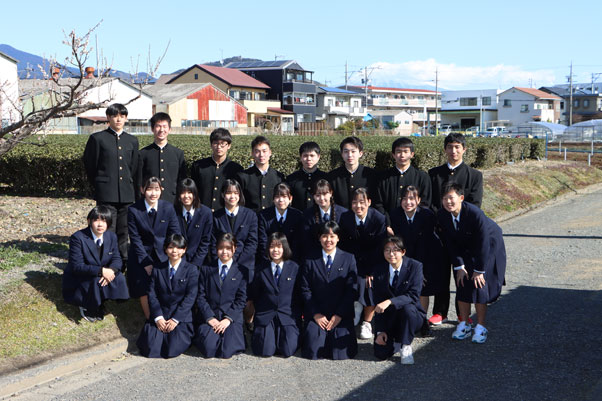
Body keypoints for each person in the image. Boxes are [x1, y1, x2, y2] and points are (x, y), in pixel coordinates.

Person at [437, 183, 506, 344]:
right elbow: (450, 242)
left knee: (479, 284)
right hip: (464, 246)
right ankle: (464, 323)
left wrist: (479, 270)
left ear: (461, 198)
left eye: (451, 198)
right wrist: (459, 265)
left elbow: (483, 243)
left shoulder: (474, 213)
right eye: (445, 198)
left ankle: (481, 327)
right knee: (461, 281)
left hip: (488, 245)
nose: (448, 202)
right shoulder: (442, 215)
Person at [428, 133, 484, 326]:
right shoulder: (434, 174)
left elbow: (474, 204)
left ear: (464, 149)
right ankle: (440, 312)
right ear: (445, 149)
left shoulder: (474, 175)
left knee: (463, 273)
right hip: (441, 232)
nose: (454, 151)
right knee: (441, 272)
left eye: (457, 147)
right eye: (450, 147)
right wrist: (442, 222)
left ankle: (463, 313)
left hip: (464, 234)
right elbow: (431, 202)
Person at [83, 103, 139, 262]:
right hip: (106, 192)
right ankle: (106, 260)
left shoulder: (132, 140)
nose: (118, 119)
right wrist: (100, 183)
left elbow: (133, 167)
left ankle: (122, 261)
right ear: (108, 118)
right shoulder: (98, 138)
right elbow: (90, 164)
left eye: (122, 116)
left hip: (126, 194)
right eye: (115, 116)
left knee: (124, 230)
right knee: (107, 228)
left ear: (126, 118)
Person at [390, 186, 447, 331]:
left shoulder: (427, 215)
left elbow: (425, 243)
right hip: (406, 254)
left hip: (427, 256)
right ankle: (406, 321)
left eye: (412, 198)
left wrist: (417, 270)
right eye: (404, 198)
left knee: (422, 288)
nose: (408, 202)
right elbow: (400, 240)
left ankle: (422, 321)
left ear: (418, 200)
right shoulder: (395, 214)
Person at [300, 221, 358, 360]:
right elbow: (305, 289)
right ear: (319, 238)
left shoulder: (349, 258)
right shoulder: (310, 259)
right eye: (325, 236)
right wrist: (315, 314)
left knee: (340, 353)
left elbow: (352, 289)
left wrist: (339, 314)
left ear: (338, 238)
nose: (328, 240)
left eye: (332, 236)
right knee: (313, 350)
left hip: (340, 313)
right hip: (318, 313)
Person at [136, 234, 199, 358]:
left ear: (184, 249)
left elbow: (190, 297)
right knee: (151, 348)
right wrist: (158, 317)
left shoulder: (191, 270)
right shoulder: (158, 268)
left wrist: (176, 319)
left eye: (179, 247)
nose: (174, 251)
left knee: (172, 349)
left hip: (180, 317)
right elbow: (152, 294)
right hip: (161, 314)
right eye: (171, 247)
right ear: (165, 249)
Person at [62, 205, 129, 322]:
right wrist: (102, 271)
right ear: (89, 221)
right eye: (96, 220)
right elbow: (77, 266)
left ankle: (102, 300)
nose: (100, 224)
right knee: (94, 281)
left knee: (118, 278)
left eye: (104, 221)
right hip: (81, 277)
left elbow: (117, 258)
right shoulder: (78, 238)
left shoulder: (111, 236)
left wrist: (112, 270)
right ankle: (86, 305)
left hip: (102, 272)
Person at [127, 177, 180, 319]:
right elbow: (135, 238)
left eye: (156, 189)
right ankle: (149, 317)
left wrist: (171, 253)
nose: (153, 193)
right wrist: (145, 262)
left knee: (165, 284)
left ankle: (166, 314)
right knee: (143, 284)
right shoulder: (133, 210)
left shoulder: (168, 207)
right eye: (149, 189)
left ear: (161, 190)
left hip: (164, 253)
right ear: (142, 190)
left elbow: (174, 233)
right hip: (141, 255)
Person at [339, 188, 387, 340]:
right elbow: (345, 247)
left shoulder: (378, 219)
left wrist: (370, 271)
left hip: (374, 263)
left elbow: (380, 248)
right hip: (353, 261)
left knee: (370, 283)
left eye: (362, 202)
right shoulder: (345, 218)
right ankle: (355, 308)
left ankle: (367, 322)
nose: (358, 206)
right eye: (354, 202)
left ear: (369, 202)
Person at [372, 236, 426, 364]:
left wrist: (390, 301)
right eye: (387, 250)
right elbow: (378, 302)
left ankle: (406, 344)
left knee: (408, 309)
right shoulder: (379, 270)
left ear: (403, 252)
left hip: (411, 315)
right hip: (390, 317)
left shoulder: (415, 266)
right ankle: (396, 339)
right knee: (381, 354)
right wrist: (380, 331)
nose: (391, 254)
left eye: (395, 250)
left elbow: (413, 295)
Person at [193, 233, 247, 358]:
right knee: (209, 349)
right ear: (216, 249)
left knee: (226, 351)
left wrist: (228, 319)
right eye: (221, 248)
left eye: (228, 248)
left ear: (234, 249)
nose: (224, 252)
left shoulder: (241, 270)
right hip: (211, 317)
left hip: (230, 319)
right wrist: (210, 318)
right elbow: (200, 296)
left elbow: (241, 299)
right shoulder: (206, 269)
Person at [248, 232, 301, 357]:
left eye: (279, 246)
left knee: (287, 351)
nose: (275, 250)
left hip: (287, 316)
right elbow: (255, 294)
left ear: (285, 248)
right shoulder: (260, 269)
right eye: (272, 246)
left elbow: (299, 296)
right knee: (265, 351)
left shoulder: (295, 268)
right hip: (266, 316)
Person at [374, 137, 431, 232]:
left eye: (406, 151)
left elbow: (425, 203)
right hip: (388, 227)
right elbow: (378, 204)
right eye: (398, 152)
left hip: (415, 227)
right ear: (393, 154)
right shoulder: (383, 177)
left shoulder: (422, 177)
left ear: (412, 154)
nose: (402, 155)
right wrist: (387, 224)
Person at [190, 128, 244, 212]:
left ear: (229, 145)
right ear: (211, 144)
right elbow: (193, 191)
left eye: (222, 144)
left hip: (225, 215)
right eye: (215, 143)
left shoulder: (236, 169)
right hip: (201, 213)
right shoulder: (198, 166)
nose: (219, 147)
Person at [138, 112, 187, 203]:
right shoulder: (143, 153)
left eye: (164, 126)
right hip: (150, 200)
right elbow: (139, 178)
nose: (161, 129)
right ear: (152, 129)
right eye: (158, 126)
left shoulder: (178, 153)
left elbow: (182, 179)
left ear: (169, 129)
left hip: (172, 200)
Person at [257, 183, 304, 264]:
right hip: (268, 260)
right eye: (277, 197)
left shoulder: (298, 216)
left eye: (284, 196)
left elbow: (297, 243)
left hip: (292, 261)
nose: (281, 200)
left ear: (290, 199)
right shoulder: (263, 216)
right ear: (273, 199)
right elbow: (263, 242)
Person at [237, 135, 285, 213]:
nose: (261, 155)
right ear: (252, 153)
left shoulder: (279, 177)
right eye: (257, 151)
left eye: (264, 151)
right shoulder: (243, 177)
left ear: (270, 152)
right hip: (250, 221)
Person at [328, 136, 378, 210]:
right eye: (346, 151)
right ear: (341, 154)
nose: (350, 155)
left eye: (353, 151)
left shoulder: (371, 175)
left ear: (360, 153)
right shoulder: (333, 176)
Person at [174, 178, 213, 268]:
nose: (186, 196)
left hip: (199, 263)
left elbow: (206, 241)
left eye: (189, 192)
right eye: (183, 192)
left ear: (195, 194)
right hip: (177, 261)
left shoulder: (206, 213)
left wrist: (195, 264)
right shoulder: (173, 212)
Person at [302, 179, 348, 255]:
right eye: (318, 195)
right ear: (313, 196)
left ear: (331, 193)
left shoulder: (343, 213)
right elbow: (307, 242)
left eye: (324, 194)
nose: (321, 198)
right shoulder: (307, 215)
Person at [285, 141, 328, 211]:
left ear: (318, 157)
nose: (309, 159)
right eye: (305, 156)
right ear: (300, 157)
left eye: (312, 155)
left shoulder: (325, 178)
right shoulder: (291, 179)